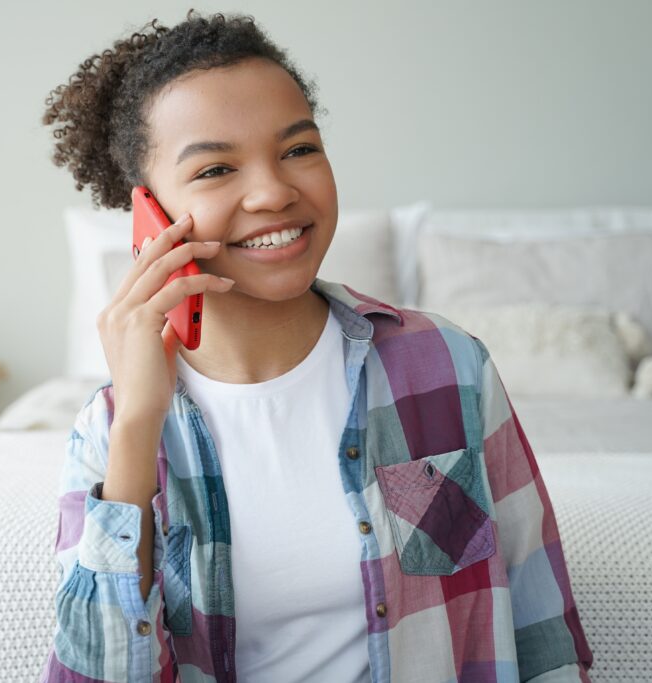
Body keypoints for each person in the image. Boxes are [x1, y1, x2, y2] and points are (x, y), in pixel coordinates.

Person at [38, 10, 592, 683]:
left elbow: (543, 632)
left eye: (299, 150)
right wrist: (137, 423)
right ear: (149, 215)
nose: (274, 192)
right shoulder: (109, 430)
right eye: (216, 168)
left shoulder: (450, 364)